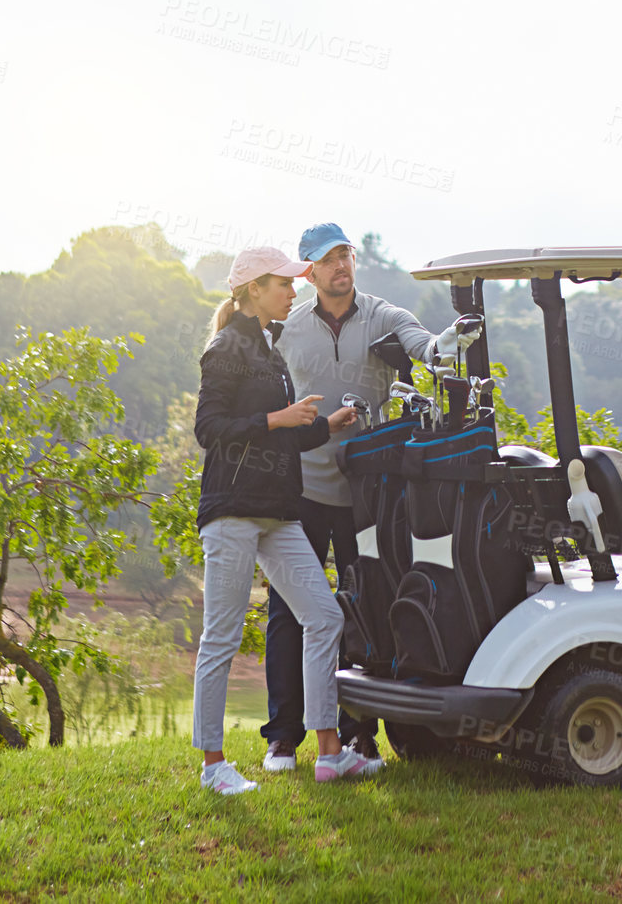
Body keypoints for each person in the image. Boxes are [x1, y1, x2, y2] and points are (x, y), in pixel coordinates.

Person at [261, 222, 477, 770]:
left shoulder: (382, 315)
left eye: (346, 255)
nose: (341, 266)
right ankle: (282, 737)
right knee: (289, 611)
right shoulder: (287, 327)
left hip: (367, 496)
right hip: (301, 490)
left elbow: (421, 343)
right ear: (308, 271)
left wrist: (441, 348)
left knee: (367, 609)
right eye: (328, 259)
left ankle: (360, 736)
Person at [191, 245, 385, 794]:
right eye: (285, 284)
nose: (294, 292)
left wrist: (328, 424)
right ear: (255, 289)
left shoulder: (271, 353)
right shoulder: (226, 348)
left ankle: (329, 753)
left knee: (325, 617)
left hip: (278, 512)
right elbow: (210, 428)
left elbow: (285, 434)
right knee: (221, 638)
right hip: (231, 511)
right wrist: (277, 417)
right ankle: (212, 767)